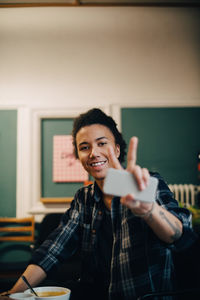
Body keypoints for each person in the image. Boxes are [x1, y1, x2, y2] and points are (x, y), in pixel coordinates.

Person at [1, 108, 197, 300]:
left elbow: (182, 236)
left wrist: (149, 210)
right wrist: (13, 294)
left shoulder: (145, 185)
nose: (94, 153)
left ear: (117, 150)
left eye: (102, 143)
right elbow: (53, 249)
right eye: (84, 147)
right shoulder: (83, 198)